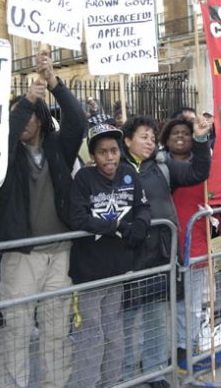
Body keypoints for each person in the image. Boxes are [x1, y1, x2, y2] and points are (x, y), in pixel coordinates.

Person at [0, 51, 84, 388]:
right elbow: (5, 135)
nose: (24, 121)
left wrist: (54, 83)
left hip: (59, 254)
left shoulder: (58, 148)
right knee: (16, 332)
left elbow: (78, 121)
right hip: (21, 256)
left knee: (56, 332)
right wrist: (27, 100)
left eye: (31, 114)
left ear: (42, 118)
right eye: (20, 114)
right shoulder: (7, 156)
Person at [121, 115, 211, 388]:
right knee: (125, 322)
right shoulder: (115, 167)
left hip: (159, 255)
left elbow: (198, 172)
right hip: (125, 257)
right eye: (143, 137)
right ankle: (124, 373)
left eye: (152, 137)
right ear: (127, 141)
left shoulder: (162, 166)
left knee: (156, 318)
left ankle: (155, 371)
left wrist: (200, 139)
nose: (149, 142)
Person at [69, 124, 149, 388]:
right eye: (102, 152)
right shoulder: (83, 179)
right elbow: (78, 218)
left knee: (114, 333)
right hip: (90, 272)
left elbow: (143, 207)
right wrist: (114, 225)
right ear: (93, 155)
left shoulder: (129, 174)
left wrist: (140, 224)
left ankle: (112, 382)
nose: (110, 157)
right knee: (91, 334)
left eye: (113, 151)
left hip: (118, 268)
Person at [159, 117, 221, 361]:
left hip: (195, 242)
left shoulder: (204, 165)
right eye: (175, 133)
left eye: (186, 133)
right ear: (166, 139)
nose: (181, 137)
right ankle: (162, 350)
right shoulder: (158, 166)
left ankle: (186, 346)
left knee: (191, 302)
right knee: (165, 304)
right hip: (163, 245)